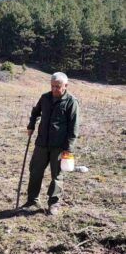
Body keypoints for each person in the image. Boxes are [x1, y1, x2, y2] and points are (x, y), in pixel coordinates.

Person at [20, 72, 79, 215]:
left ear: (66, 86)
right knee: (35, 172)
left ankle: (54, 203)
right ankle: (32, 200)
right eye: (52, 86)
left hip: (59, 147)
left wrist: (68, 149)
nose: (54, 89)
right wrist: (31, 125)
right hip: (41, 143)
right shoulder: (45, 97)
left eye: (58, 87)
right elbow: (35, 112)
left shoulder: (71, 102)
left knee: (57, 176)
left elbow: (74, 127)